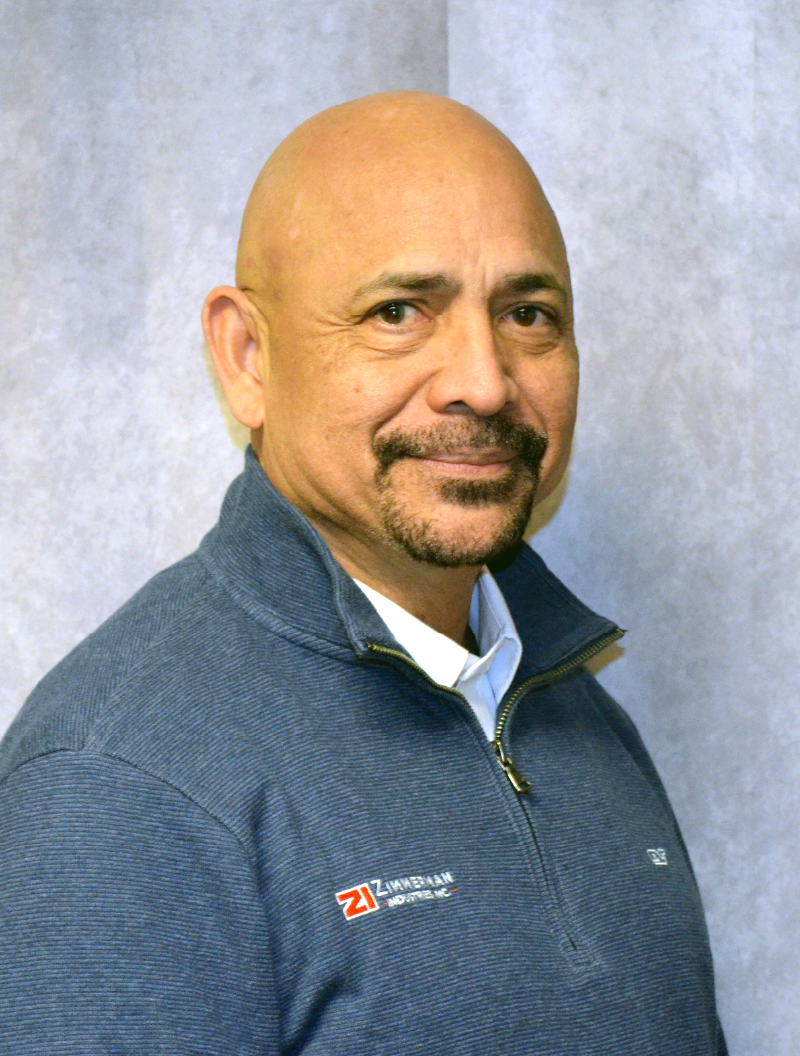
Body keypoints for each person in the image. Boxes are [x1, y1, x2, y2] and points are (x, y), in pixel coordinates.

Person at [0, 92, 726, 1054]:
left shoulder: (573, 708)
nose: (485, 378)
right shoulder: (119, 782)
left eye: (528, 312)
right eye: (398, 312)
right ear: (247, 356)